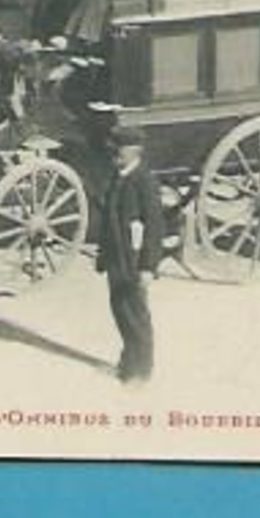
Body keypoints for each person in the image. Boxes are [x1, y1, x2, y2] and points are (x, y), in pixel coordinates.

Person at [95, 125, 164, 383]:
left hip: (134, 261)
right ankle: (129, 361)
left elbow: (155, 227)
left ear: (134, 151)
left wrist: (148, 266)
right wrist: (103, 257)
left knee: (136, 314)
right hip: (116, 258)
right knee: (120, 310)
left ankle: (142, 371)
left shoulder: (144, 181)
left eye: (119, 151)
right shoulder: (119, 176)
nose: (114, 156)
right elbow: (108, 220)